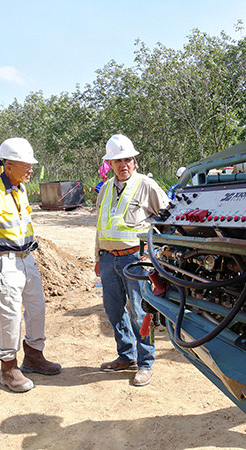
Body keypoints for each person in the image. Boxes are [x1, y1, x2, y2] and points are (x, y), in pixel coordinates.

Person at [0, 137, 61, 393]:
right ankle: (8, 367)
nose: (30, 169)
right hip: (5, 261)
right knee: (10, 315)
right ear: (8, 165)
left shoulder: (20, 189)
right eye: (26, 165)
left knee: (37, 308)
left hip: (27, 258)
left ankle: (34, 356)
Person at [95, 134, 169, 387]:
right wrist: (97, 256)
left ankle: (146, 362)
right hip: (108, 259)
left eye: (127, 159)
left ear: (135, 162)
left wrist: (153, 252)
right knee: (113, 310)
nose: (123, 164)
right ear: (110, 164)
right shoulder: (104, 189)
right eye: (118, 161)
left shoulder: (146, 185)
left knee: (139, 312)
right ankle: (126, 356)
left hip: (136, 259)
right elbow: (100, 226)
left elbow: (168, 218)